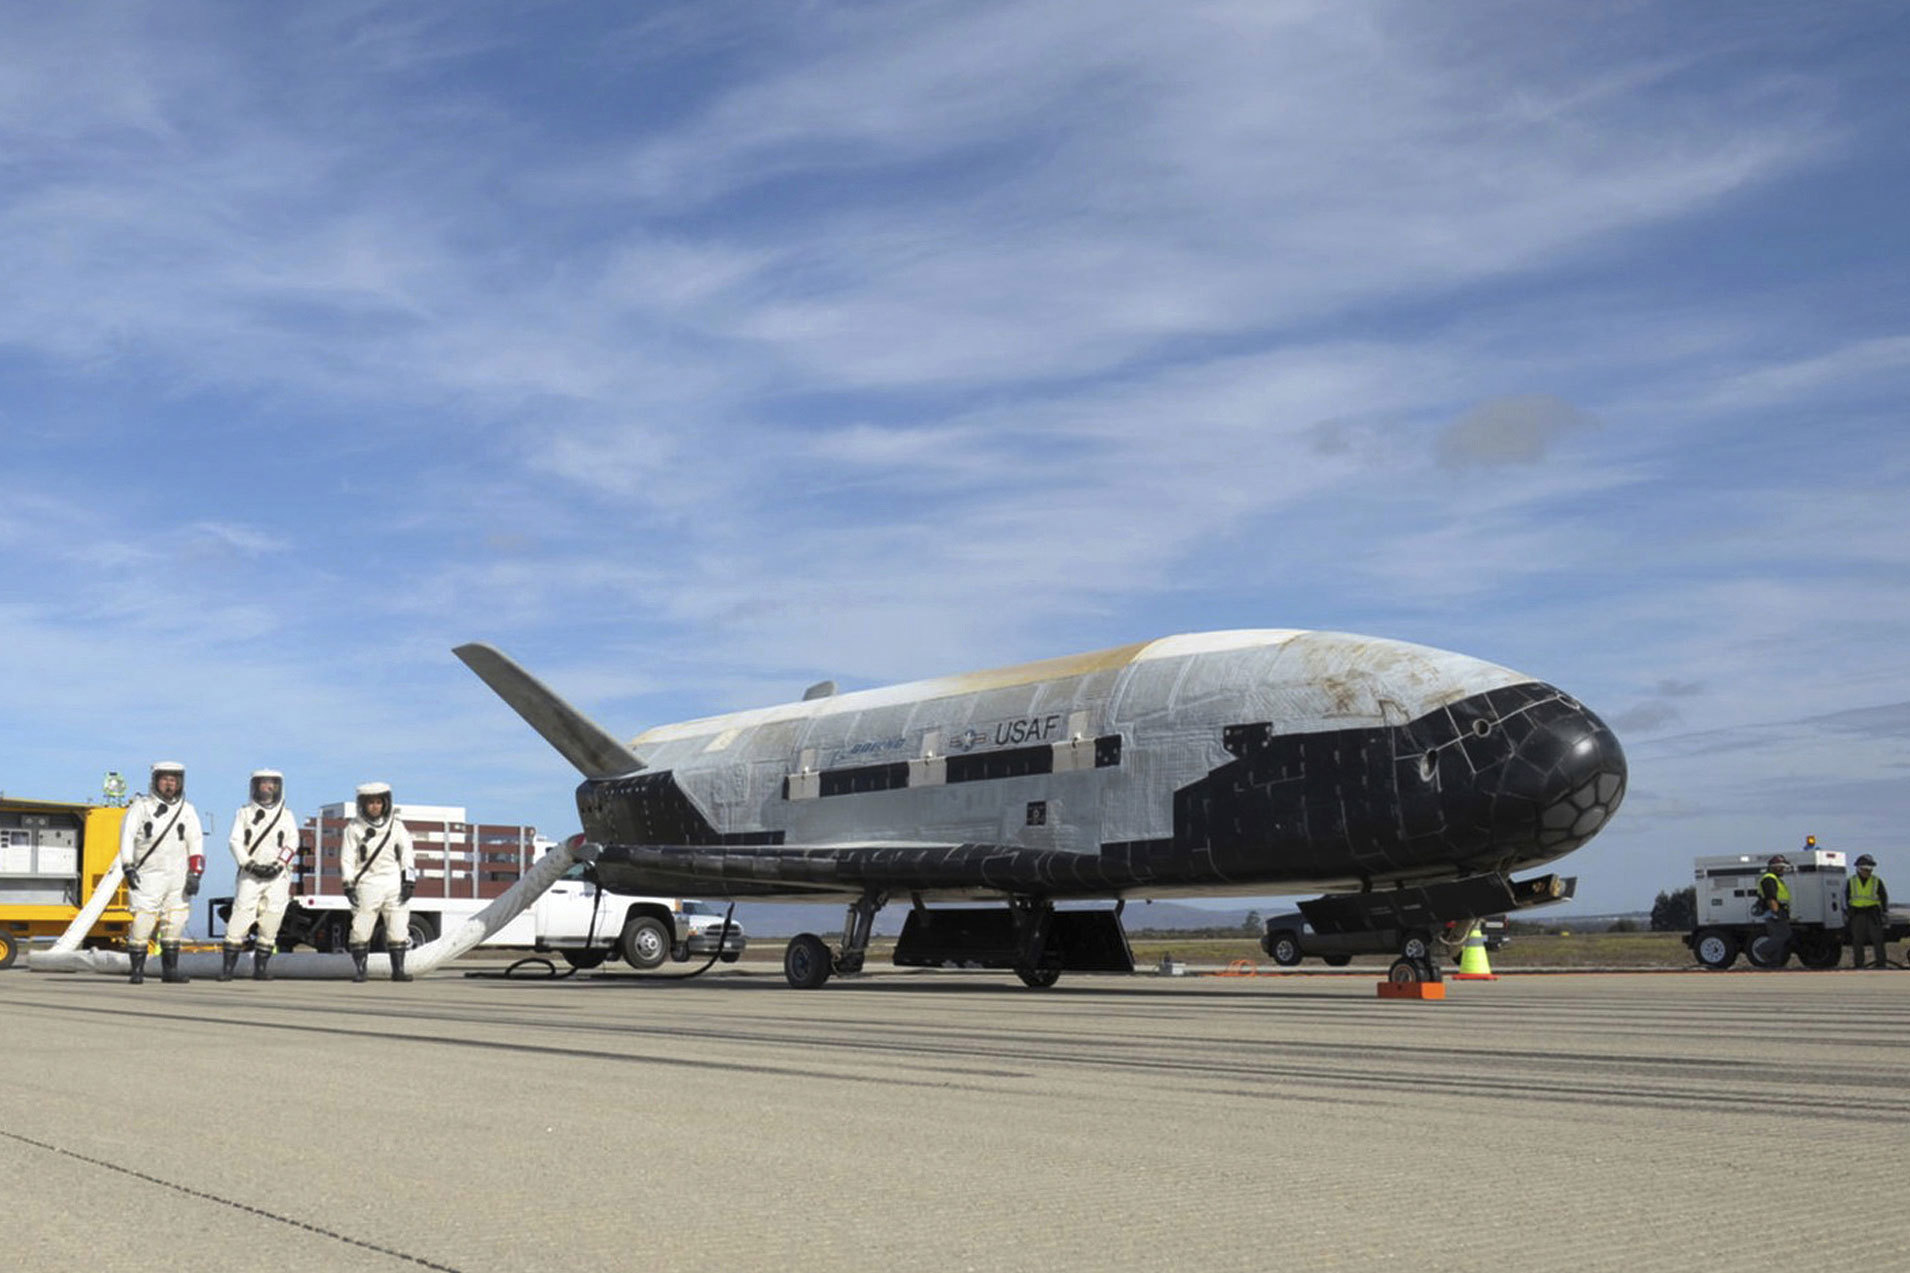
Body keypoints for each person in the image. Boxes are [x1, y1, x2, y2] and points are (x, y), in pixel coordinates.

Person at [117, 761, 204, 984]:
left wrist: (195, 873)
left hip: (178, 875)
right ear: (155, 781)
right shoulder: (141, 807)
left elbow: (195, 842)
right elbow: (127, 836)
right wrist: (128, 866)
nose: (169, 784)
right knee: (143, 921)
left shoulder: (187, 810)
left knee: (175, 921)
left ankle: (170, 971)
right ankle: (137, 971)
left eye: (173, 780)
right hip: (148, 873)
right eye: (165, 779)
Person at [221, 769, 298, 981]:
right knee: (240, 916)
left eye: (272, 783)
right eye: (263, 784)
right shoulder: (244, 813)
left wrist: (279, 865)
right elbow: (234, 841)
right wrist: (248, 864)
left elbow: (293, 842)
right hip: (250, 875)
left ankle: (261, 969)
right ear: (255, 786)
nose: (268, 787)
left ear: (278, 787)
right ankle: (227, 970)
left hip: (277, 877)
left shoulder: (287, 815)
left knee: (272, 919)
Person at [339, 782, 419, 983]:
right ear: (362, 804)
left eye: (378, 802)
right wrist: (348, 883)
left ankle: (398, 970)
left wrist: (408, 881)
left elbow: (407, 854)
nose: (375, 807)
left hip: (393, 882)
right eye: (370, 803)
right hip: (367, 883)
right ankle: (360, 970)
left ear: (386, 803)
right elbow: (347, 858)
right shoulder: (354, 828)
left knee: (399, 927)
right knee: (361, 928)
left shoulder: (396, 826)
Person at [1845, 853, 1889, 969]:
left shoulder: (1876, 881)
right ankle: (1859, 964)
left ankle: (1881, 964)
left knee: (1878, 940)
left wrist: (1884, 912)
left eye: (1870, 870)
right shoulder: (1851, 882)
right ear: (1859, 869)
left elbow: (1883, 896)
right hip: (1857, 914)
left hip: (1872, 913)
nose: (1868, 872)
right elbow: (1846, 897)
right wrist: (1848, 912)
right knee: (1857, 941)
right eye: (1865, 869)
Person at [1754, 853, 1793, 968]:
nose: (1782, 869)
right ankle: (1762, 949)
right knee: (1783, 935)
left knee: (1778, 937)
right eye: (1780, 866)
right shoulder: (1769, 879)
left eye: (1783, 867)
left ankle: (1774, 963)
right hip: (1774, 912)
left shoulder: (1775, 879)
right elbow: (1771, 897)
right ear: (1773, 867)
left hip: (1778, 912)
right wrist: (1776, 913)